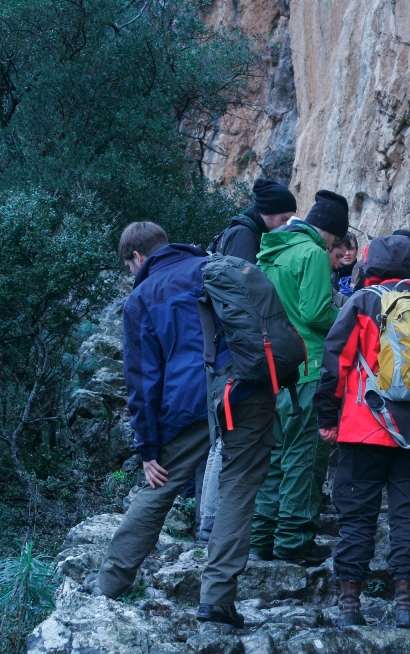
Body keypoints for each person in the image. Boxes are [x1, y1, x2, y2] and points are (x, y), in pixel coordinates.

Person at [88, 222, 275, 629]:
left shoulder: (143, 296)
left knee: (159, 485)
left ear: (137, 258)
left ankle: (109, 583)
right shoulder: (215, 266)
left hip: (191, 401)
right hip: (249, 388)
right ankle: (217, 600)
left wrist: (147, 448)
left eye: (128, 267)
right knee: (239, 489)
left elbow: (142, 379)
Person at [314, 235, 410, 630]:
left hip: (365, 427)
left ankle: (349, 607)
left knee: (357, 517)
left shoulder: (362, 303)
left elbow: (335, 364)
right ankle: (406, 607)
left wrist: (328, 418)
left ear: (370, 267)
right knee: (408, 517)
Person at [195, 178, 298, 543]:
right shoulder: (244, 236)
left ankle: (210, 522)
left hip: (226, 351)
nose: (286, 224)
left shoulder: (242, 230)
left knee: (225, 437)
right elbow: (237, 300)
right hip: (234, 355)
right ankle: (210, 524)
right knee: (227, 439)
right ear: (269, 214)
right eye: (284, 217)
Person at [250, 190, 349, 566]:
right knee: (304, 456)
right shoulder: (311, 253)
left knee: (273, 457)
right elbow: (315, 313)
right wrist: (349, 319)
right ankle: (293, 542)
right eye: (336, 243)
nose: (334, 249)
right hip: (307, 369)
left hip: (272, 369)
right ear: (330, 235)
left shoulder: (270, 251)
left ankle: (260, 538)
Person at [213, 178, 296, 262]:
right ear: (269, 210)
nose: (285, 224)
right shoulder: (243, 235)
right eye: (284, 219)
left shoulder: (249, 232)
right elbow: (243, 274)